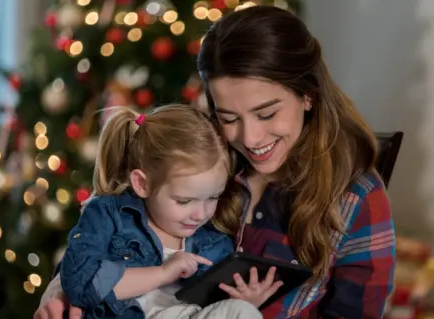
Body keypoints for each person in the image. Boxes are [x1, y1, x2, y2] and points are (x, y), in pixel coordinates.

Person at [35, 5, 395, 319]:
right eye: (229, 117)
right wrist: (58, 289)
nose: (250, 139)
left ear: (307, 96)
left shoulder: (356, 199)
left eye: (267, 114)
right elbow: (111, 230)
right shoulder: (200, 157)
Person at [50, 104, 278, 319]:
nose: (200, 214)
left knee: (241, 312)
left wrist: (245, 301)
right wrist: (161, 273)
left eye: (213, 197)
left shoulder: (215, 245)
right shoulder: (109, 216)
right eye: (184, 200)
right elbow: (81, 283)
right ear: (142, 184)